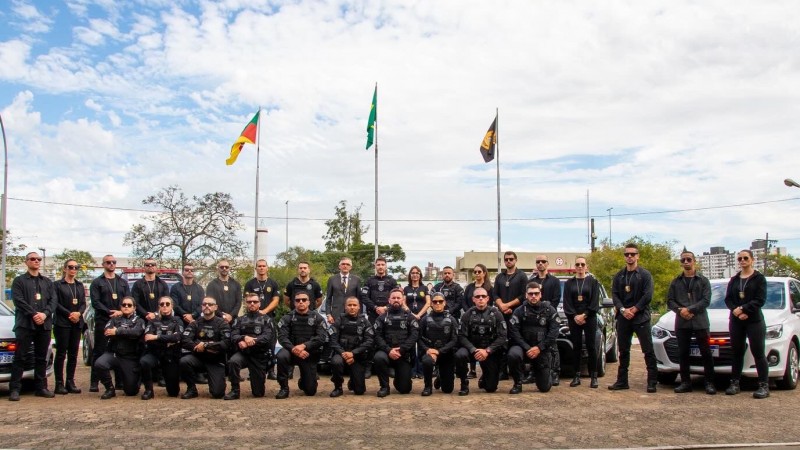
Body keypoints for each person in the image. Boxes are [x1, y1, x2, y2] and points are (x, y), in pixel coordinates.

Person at [8, 251, 57, 401]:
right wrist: (34, 314)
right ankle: (15, 388)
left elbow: (53, 300)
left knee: (41, 358)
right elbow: (18, 300)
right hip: (25, 324)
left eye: (38, 259)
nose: (36, 261)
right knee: (21, 356)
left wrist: (45, 314)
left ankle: (41, 387)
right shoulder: (19, 281)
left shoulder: (47, 282)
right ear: (26, 262)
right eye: (32, 259)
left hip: (44, 325)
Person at [610, 243, 658, 393]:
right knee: (623, 351)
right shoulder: (619, 276)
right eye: (626, 254)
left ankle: (652, 382)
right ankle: (622, 381)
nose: (629, 257)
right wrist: (623, 309)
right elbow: (615, 295)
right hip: (624, 317)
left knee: (648, 350)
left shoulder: (645, 275)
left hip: (641, 317)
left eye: (632, 254)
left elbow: (647, 295)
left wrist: (635, 309)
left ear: (638, 256)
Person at [667, 250, 716, 395]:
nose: (686, 262)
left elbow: (706, 301)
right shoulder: (676, 282)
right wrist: (680, 310)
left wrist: (690, 310)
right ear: (680, 263)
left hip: (700, 321)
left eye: (689, 259)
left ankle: (709, 383)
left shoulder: (703, 281)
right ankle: (685, 382)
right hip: (682, 322)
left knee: (706, 353)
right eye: (683, 260)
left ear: (694, 261)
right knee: (683, 353)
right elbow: (670, 301)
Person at [724, 249, 769, 399]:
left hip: (754, 320)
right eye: (740, 259)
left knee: (758, 352)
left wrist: (743, 309)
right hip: (736, 320)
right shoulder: (734, 279)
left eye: (745, 258)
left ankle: (763, 385)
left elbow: (760, 300)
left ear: (752, 260)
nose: (742, 261)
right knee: (736, 352)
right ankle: (735, 383)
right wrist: (735, 311)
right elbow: (728, 299)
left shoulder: (759, 279)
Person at [508, 282, 559, 394]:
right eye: (531, 294)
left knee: (544, 388)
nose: (533, 296)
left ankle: (543, 372)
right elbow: (514, 332)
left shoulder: (549, 310)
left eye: (536, 293)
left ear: (540, 295)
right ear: (526, 295)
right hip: (523, 347)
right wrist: (527, 347)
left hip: (541, 348)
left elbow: (554, 333)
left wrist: (539, 348)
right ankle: (517, 383)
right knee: (513, 354)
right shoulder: (519, 311)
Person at [454, 287, 507, 395]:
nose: (480, 299)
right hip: (472, 349)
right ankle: (464, 383)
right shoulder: (467, 315)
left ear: (488, 298)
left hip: (489, 351)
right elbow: (461, 336)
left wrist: (487, 350)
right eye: (478, 297)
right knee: (460, 355)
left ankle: (485, 378)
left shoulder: (496, 314)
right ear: (473, 299)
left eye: (483, 296)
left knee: (491, 388)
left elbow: (502, 336)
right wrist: (473, 349)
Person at [88, 254, 130, 392]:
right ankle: (94, 382)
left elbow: (128, 300)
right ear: (103, 264)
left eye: (113, 262)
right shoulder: (97, 282)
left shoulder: (122, 282)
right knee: (99, 350)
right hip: (103, 320)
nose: (111, 264)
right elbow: (95, 302)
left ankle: (119, 381)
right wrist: (109, 312)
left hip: (120, 320)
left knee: (119, 350)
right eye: (108, 262)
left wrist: (120, 312)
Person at [275, 291, 328, 399]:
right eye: (298, 300)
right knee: (281, 356)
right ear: (294, 303)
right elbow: (282, 337)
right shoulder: (287, 318)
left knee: (310, 391)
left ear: (309, 302)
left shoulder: (317, 318)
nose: (301, 302)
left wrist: (304, 346)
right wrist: (294, 348)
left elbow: (321, 338)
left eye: (304, 300)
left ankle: (304, 380)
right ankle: (283, 388)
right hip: (291, 351)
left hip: (307, 353)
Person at [225, 293, 276, 400]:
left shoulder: (267, 319)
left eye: (255, 302)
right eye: (249, 302)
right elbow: (233, 336)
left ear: (259, 303)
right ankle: (235, 391)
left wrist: (250, 341)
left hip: (259, 355)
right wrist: (243, 338)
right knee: (233, 362)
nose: (252, 304)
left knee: (258, 393)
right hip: (244, 354)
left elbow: (267, 337)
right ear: (245, 304)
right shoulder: (239, 320)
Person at [94, 296, 145, 399]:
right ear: (120, 307)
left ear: (134, 308)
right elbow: (107, 331)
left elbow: (136, 333)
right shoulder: (114, 319)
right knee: (100, 364)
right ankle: (110, 389)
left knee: (131, 391)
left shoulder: (139, 321)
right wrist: (127, 333)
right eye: (124, 305)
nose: (126, 307)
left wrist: (118, 331)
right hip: (114, 354)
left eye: (129, 305)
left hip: (129, 357)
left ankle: (136, 378)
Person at [179, 297, 230, 399]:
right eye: (204, 304)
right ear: (201, 307)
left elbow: (226, 343)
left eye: (210, 304)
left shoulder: (222, 323)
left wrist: (206, 345)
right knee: (184, 361)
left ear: (215, 307)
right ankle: (192, 389)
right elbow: (184, 340)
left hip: (215, 361)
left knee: (217, 394)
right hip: (199, 358)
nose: (207, 306)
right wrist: (197, 346)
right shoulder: (195, 323)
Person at [563, 257, 601, 388]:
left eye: (582, 264)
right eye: (577, 264)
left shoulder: (593, 282)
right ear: (575, 267)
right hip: (574, 319)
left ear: (586, 267)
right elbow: (567, 302)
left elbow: (595, 302)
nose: (580, 266)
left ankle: (594, 377)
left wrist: (584, 315)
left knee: (591, 346)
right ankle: (576, 376)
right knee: (577, 347)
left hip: (589, 317)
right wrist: (574, 316)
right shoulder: (569, 283)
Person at [373, 288, 419, 397]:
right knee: (378, 358)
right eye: (393, 298)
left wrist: (402, 349)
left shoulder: (409, 317)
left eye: (399, 298)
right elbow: (377, 336)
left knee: (404, 389)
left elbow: (414, 335)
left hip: (403, 354)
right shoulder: (382, 318)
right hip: (386, 352)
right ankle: (384, 387)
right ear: (389, 300)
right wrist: (389, 350)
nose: (396, 300)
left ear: (403, 300)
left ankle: (400, 379)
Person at [140, 296, 184, 400]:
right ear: (159, 306)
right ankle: (149, 390)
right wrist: (168, 341)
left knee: (173, 393)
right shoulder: (152, 321)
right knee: (144, 362)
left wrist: (157, 337)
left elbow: (178, 337)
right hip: (155, 353)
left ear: (172, 306)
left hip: (170, 355)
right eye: (162, 304)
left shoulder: (177, 320)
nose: (164, 306)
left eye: (167, 304)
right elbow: (147, 337)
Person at [329, 296, 374, 397]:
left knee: (359, 391)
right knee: (336, 362)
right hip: (341, 354)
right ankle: (338, 387)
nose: (352, 307)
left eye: (354, 305)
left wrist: (353, 353)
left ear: (359, 307)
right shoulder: (339, 320)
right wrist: (343, 353)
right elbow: (332, 340)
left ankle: (353, 381)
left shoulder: (364, 322)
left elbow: (369, 341)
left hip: (356, 357)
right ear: (345, 307)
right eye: (349, 305)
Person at [53, 259, 86, 395]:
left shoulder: (79, 285)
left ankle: (70, 381)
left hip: (76, 323)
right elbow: (55, 303)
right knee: (61, 353)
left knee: (73, 354)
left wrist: (78, 313)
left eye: (76, 267)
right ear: (65, 269)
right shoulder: (57, 285)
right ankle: (59, 383)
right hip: (63, 323)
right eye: (70, 267)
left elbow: (83, 303)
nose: (73, 269)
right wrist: (69, 314)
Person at [529, 254, 563, 386]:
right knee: (533, 345)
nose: (540, 264)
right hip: (533, 319)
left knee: (552, 346)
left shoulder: (554, 281)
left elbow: (556, 299)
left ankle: (554, 373)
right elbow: (528, 298)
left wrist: (547, 313)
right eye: (538, 262)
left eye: (543, 261)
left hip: (549, 317)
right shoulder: (532, 281)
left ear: (547, 264)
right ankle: (533, 373)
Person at [493, 251, 527, 380]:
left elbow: (524, 295)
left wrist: (508, 306)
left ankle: (518, 371)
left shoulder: (522, 276)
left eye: (511, 259)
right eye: (506, 259)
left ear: (516, 260)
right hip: (501, 315)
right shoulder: (500, 277)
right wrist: (501, 306)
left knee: (517, 341)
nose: (508, 261)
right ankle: (503, 371)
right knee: (501, 342)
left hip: (517, 314)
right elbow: (495, 294)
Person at [418, 292, 459, 396]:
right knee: (426, 361)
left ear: (444, 303)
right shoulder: (424, 320)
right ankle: (428, 386)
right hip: (430, 353)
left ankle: (441, 377)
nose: (437, 303)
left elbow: (454, 340)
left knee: (448, 390)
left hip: (446, 354)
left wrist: (439, 351)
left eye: (440, 301)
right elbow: (419, 338)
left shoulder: (451, 319)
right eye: (435, 301)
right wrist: (427, 350)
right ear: (431, 303)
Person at [463, 263, 493, 378]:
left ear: (484, 273)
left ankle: (485, 370)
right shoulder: (470, 287)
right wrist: (469, 312)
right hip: (470, 318)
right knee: (471, 341)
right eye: (475, 272)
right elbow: (464, 301)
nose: (476, 274)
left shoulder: (489, 287)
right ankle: (472, 370)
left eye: (479, 271)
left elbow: (491, 302)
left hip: (486, 319)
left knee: (484, 342)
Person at [404, 265, 430, 378]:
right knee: (410, 344)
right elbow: (403, 303)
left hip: (422, 318)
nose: (415, 274)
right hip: (409, 319)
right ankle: (413, 370)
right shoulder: (406, 289)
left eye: (417, 273)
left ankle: (421, 371)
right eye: (413, 273)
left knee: (421, 344)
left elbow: (428, 303)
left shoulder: (424, 288)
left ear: (420, 275)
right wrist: (411, 314)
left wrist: (419, 315)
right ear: (410, 275)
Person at [325, 257, 362, 324]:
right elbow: (328, 299)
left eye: (347, 264)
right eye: (343, 264)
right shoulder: (332, 279)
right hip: (335, 315)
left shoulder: (356, 279)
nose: (345, 266)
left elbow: (359, 299)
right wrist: (328, 314)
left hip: (352, 314)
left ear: (351, 267)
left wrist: (359, 315)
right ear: (339, 266)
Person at [362, 257, 399, 322]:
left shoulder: (392, 281)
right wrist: (375, 307)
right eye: (378, 265)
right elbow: (364, 297)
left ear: (386, 266)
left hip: (389, 313)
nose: (380, 267)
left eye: (382, 265)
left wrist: (386, 308)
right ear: (375, 266)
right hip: (373, 314)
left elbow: (398, 297)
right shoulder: (369, 281)